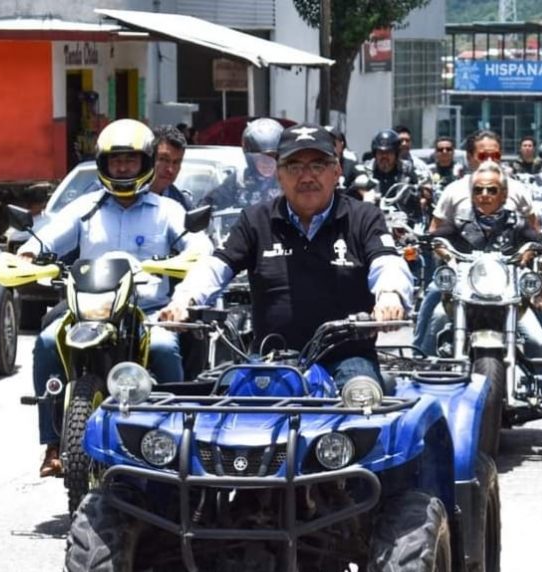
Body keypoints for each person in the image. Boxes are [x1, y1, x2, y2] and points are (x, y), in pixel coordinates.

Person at [18, 119, 213, 477]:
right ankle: (53, 444)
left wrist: (188, 257)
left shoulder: (167, 210)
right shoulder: (85, 207)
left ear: (145, 162)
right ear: (104, 165)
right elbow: (45, 240)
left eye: (131, 161)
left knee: (164, 350)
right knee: (47, 341)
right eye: (115, 161)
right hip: (89, 312)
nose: (123, 168)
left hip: (146, 311)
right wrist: (28, 255)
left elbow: (199, 245)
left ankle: (174, 440)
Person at [159, 123, 414, 388]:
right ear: (279, 175)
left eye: (317, 165)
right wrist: (185, 299)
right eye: (294, 167)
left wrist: (390, 295)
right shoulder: (255, 220)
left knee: (364, 410)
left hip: (346, 358)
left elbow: (387, 262)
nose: (306, 177)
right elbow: (217, 265)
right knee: (230, 409)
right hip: (271, 360)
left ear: (336, 170)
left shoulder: (363, 217)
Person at [417, 161, 542, 440]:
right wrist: (432, 243)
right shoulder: (462, 224)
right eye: (479, 190)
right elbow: (438, 237)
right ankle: (419, 392)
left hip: (509, 300)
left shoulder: (515, 223)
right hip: (467, 298)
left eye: (492, 190)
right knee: (437, 322)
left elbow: (536, 238)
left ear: (503, 194)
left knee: (539, 341)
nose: (485, 195)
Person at [430, 129, 537, 234]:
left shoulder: (518, 189)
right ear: (469, 157)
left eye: (495, 156)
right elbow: (434, 231)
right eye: (483, 156)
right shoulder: (453, 191)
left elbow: (534, 230)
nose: (490, 161)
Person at [202, 117, 284, 210]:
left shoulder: (288, 180)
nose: (267, 163)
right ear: (250, 159)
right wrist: (203, 210)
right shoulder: (239, 180)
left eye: (272, 156)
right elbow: (213, 201)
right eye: (260, 157)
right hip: (247, 224)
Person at [150, 124, 191, 210]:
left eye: (176, 162)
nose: (170, 170)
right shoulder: (126, 199)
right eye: (164, 160)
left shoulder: (183, 205)